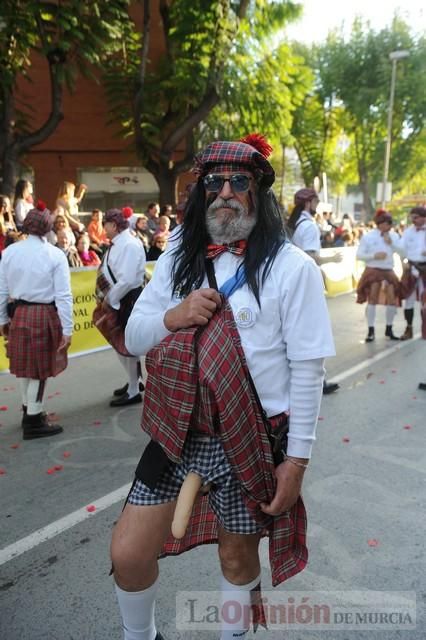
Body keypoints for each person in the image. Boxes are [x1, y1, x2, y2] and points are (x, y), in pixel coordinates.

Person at [110, 134, 335, 640]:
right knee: (128, 553)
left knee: (237, 557)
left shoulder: (291, 267)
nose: (226, 191)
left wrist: (295, 464)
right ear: (201, 191)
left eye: (239, 181)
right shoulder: (176, 259)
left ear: (259, 191)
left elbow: (307, 372)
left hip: (252, 438)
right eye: (215, 182)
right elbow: (133, 334)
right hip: (178, 431)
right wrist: (175, 314)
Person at [0, 200, 72, 439]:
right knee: (39, 368)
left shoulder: (9, 252)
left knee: (25, 367)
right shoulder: (55, 254)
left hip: (19, 312)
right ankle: (33, 419)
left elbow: (2, 290)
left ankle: (29, 409)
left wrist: (2, 319)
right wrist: (68, 329)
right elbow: (63, 295)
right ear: (47, 227)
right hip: (43, 313)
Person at [287, 187, 341, 394]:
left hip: (294, 278)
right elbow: (311, 256)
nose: (317, 205)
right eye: (316, 202)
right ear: (308, 203)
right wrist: (332, 259)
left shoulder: (294, 224)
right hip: (307, 279)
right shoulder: (308, 226)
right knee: (314, 332)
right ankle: (318, 381)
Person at [92, 208, 146, 406]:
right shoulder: (119, 243)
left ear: (113, 225)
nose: (102, 227)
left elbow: (128, 280)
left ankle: (133, 391)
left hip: (127, 299)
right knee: (121, 343)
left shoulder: (130, 245)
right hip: (120, 298)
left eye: (104, 223)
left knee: (127, 344)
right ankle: (134, 381)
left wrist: (109, 299)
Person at [355, 209, 403, 342]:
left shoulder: (394, 236)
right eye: (386, 223)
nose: (388, 226)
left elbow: (402, 251)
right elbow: (359, 255)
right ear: (379, 223)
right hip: (373, 269)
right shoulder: (368, 236)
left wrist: (391, 244)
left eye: (390, 223)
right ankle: (371, 330)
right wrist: (373, 256)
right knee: (372, 299)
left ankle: (389, 328)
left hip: (388, 269)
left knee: (392, 298)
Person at [398, 206, 426, 340]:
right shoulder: (408, 232)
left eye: (416, 217)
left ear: (423, 217)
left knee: (424, 300)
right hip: (412, 268)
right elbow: (401, 249)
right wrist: (403, 261)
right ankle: (409, 328)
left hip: (425, 269)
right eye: (412, 217)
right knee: (408, 300)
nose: (413, 220)